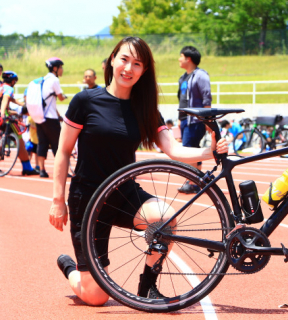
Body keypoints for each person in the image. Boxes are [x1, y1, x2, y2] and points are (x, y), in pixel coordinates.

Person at [49, 36, 227, 306]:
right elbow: (63, 152)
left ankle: (148, 286)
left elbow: (174, 150)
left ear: (144, 71)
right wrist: (57, 201)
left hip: (124, 195)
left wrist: (210, 152)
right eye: (124, 59)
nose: (128, 68)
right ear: (112, 59)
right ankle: (71, 268)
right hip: (87, 199)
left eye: (137, 63)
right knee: (97, 297)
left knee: (166, 219)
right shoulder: (85, 102)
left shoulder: (144, 109)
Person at [177, 46, 212, 194]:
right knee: (191, 150)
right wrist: (180, 119)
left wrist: (208, 120)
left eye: (181, 56)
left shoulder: (200, 75)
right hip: (185, 119)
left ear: (188, 59)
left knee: (189, 150)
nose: (179, 59)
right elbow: (182, 100)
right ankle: (198, 180)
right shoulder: (183, 77)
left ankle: (194, 182)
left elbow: (206, 97)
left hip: (196, 120)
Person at [0, 71, 39, 175]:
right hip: (5, 119)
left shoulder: (1, 87)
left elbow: (12, 100)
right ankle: (27, 168)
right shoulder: (9, 89)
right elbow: (5, 99)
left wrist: (23, 105)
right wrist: (3, 113)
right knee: (20, 143)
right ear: (13, 81)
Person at [36, 57, 68, 178]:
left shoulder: (43, 80)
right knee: (59, 145)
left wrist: (58, 115)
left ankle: (42, 170)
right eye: (61, 67)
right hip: (50, 118)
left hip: (40, 116)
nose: (62, 70)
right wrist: (64, 97)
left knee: (42, 143)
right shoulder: (54, 80)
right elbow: (59, 97)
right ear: (55, 68)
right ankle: (61, 172)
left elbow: (49, 102)